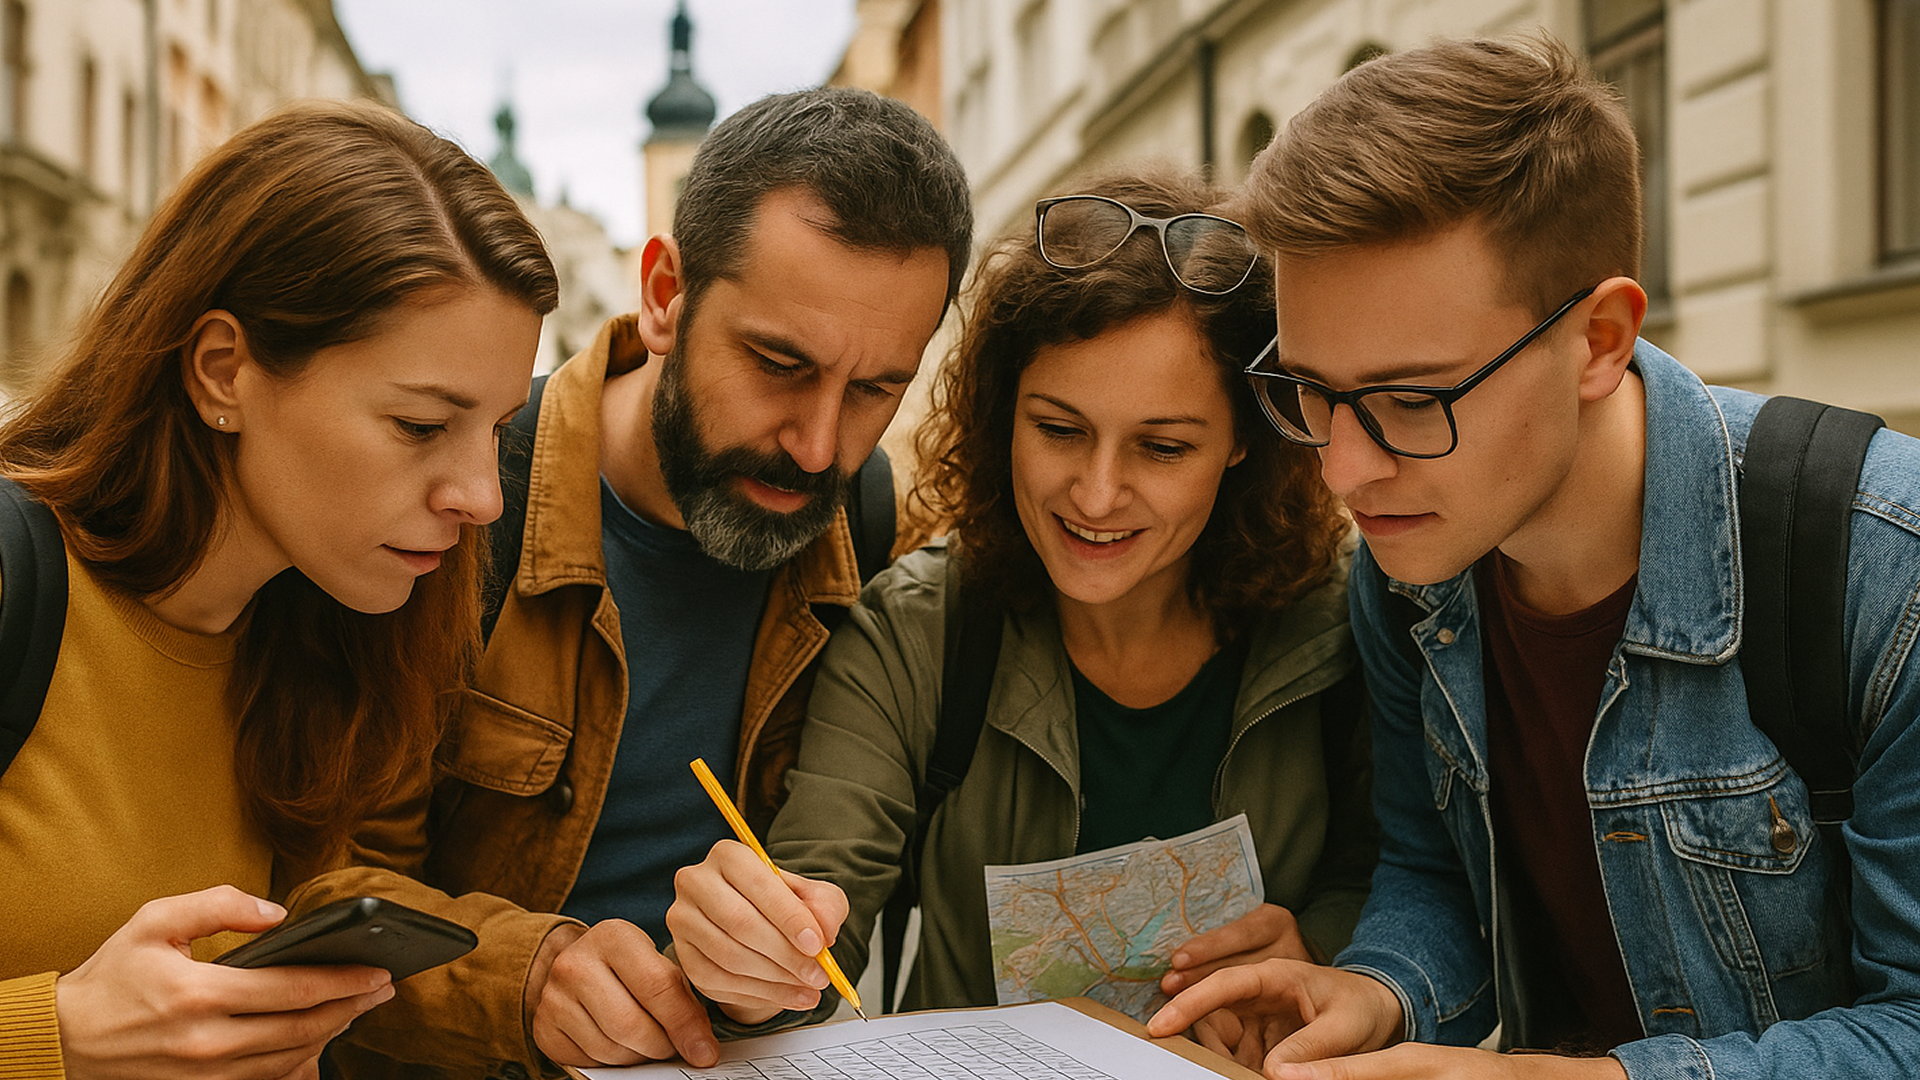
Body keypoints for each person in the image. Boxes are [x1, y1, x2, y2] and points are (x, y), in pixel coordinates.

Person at [1144, 33, 1920, 1080]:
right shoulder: (1407, 577)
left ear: (1599, 339)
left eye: (1414, 401)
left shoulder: (1886, 573)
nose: (1344, 471)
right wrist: (1375, 991)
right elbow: (1438, 872)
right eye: (1312, 392)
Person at [283, 86, 973, 1078]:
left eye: (875, 389)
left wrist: (783, 964)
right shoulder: (459, 503)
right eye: (779, 362)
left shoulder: (869, 524)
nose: (819, 445)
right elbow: (320, 894)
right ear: (663, 296)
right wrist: (525, 979)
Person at [666, 167, 1377, 1032]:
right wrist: (755, 960)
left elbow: (1405, 881)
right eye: (1060, 430)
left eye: (1161, 447)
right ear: (1004, 415)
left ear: (1241, 444)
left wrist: (1326, 947)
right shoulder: (920, 631)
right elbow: (823, 908)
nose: (1098, 494)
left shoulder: (1343, 619)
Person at [0, 101, 555, 1079]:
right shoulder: (19, 585)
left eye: (499, 431)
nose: (479, 497)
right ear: (224, 372)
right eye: (422, 426)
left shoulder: (326, 637)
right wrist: (59, 1035)